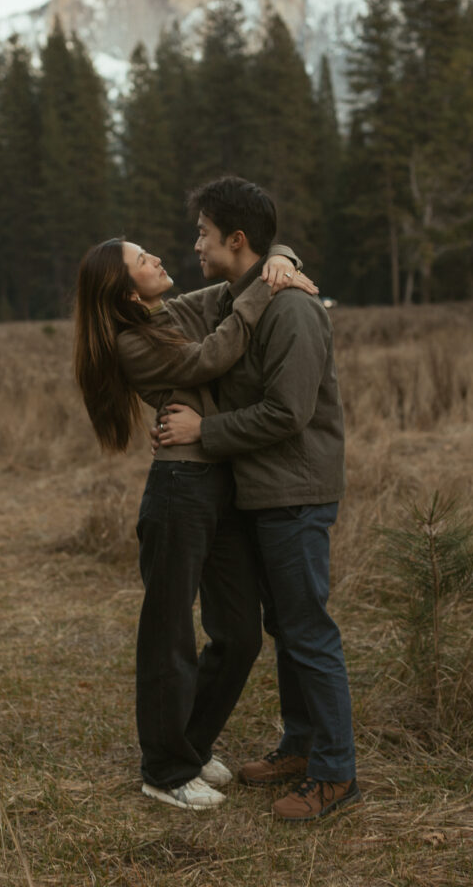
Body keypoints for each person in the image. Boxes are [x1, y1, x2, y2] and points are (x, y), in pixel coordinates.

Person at [73, 234, 316, 812]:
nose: (157, 257)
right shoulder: (133, 342)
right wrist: (263, 292)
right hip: (179, 493)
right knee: (169, 636)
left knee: (238, 634)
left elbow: (233, 287)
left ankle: (190, 741)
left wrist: (281, 256)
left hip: (219, 488)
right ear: (125, 291)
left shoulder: (168, 314)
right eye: (141, 260)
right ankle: (165, 769)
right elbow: (213, 355)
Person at [157, 177, 361, 821]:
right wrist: (286, 253)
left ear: (236, 240)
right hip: (266, 493)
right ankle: (300, 747)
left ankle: (336, 773)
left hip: (295, 493)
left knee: (308, 632)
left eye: (204, 234)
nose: (195, 245)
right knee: (287, 629)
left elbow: (288, 412)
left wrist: (202, 432)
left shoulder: (292, 310)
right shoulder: (239, 296)